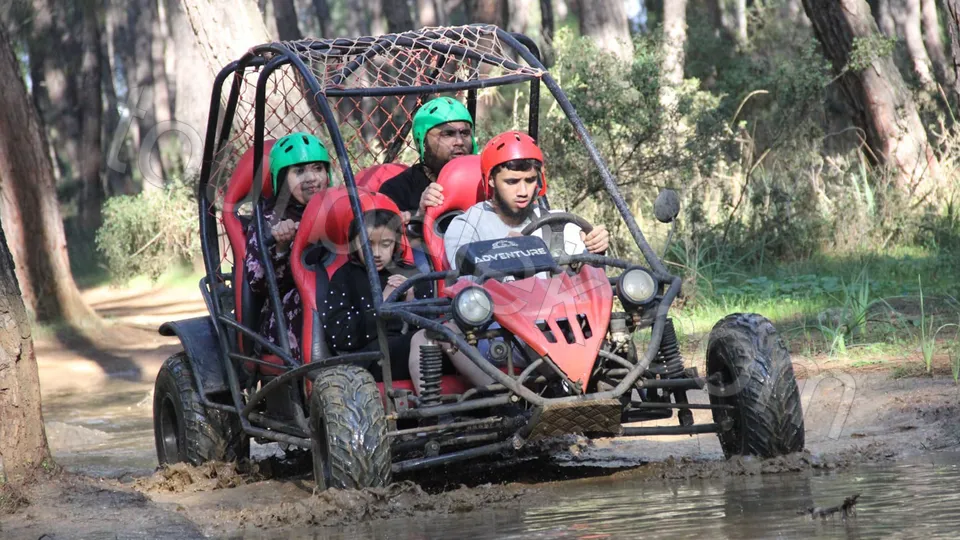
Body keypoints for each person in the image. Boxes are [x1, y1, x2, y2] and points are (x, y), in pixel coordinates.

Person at [408, 130, 610, 391]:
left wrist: (595, 249)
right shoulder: (467, 225)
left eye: (529, 180)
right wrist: (512, 254)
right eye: (512, 182)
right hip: (499, 333)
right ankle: (508, 401)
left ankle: (608, 384)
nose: (524, 191)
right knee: (442, 332)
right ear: (491, 180)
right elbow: (468, 285)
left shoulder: (557, 222)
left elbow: (584, 280)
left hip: (558, 328)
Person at [245, 132, 332, 360]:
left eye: (317, 168)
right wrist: (281, 248)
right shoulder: (268, 219)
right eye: (299, 171)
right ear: (282, 178)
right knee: (314, 295)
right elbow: (258, 285)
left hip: (340, 295)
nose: (312, 177)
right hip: (288, 309)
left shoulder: (338, 206)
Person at [324, 209, 431, 380]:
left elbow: (433, 322)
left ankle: (486, 393)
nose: (376, 253)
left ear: (395, 243)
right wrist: (382, 305)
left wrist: (411, 300)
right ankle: (429, 405)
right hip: (372, 359)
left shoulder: (410, 273)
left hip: (414, 348)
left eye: (385, 244)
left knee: (449, 332)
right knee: (423, 339)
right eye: (368, 245)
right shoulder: (345, 277)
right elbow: (339, 336)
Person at [378, 96, 476, 223]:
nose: (459, 141)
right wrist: (419, 215)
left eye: (465, 133)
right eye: (448, 134)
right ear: (423, 142)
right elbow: (383, 238)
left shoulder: (485, 179)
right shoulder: (397, 190)